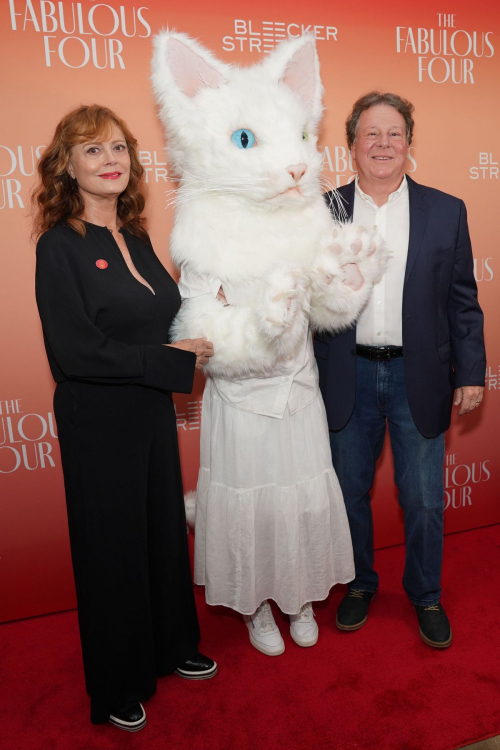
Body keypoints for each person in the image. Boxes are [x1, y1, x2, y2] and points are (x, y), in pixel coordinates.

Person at [34, 104, 217, 731]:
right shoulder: (59, 246)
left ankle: (170, 648)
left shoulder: (135, 239)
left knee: (161, 532)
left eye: (118, 149)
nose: (110, 161)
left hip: (146, 412)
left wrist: (217, 316)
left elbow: (164, 322)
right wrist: (168, 359)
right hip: (98, 418)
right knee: (111, 549)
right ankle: (116, 683)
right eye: (92, 151)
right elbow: (74, 350)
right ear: (68, 167)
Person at [315, 92, 486, 649]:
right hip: (348, 375)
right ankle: (360, 582)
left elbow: (463, 300)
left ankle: (425, 594)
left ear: (409, 143)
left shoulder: (446, 209)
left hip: (422, 377)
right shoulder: (324, 211)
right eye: (371, 134)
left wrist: (470, 372)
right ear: (352, 145)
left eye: (394, 134)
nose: (383, 144)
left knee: (424, 500)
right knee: (347, 493)